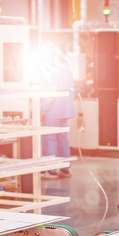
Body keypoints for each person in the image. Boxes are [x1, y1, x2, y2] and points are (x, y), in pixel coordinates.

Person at [40, 44, 75, 178]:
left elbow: (50, 94)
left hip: (53, 111)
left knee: (49, 139)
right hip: (65, 110)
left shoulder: (53, 71)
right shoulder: (67, 70)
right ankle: (64, 168)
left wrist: (43, 110)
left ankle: (51, 170)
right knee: (62, 139)